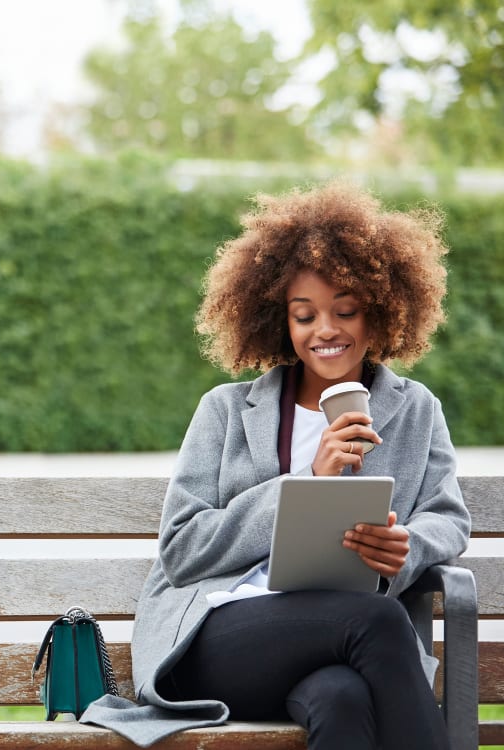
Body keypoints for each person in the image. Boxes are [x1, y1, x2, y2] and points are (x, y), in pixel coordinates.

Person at [81, 181, 471, 749]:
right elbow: (183, 548)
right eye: (304, 315)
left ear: (381, 313)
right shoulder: (226, 410)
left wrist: (407, 546)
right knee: (379, 622)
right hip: (219, 634)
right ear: (280, 322)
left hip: (341, 645)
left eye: (346, 311)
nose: (326, 330)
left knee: (343, 698)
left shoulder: (414, 410)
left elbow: (447, 518)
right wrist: (307, 480)